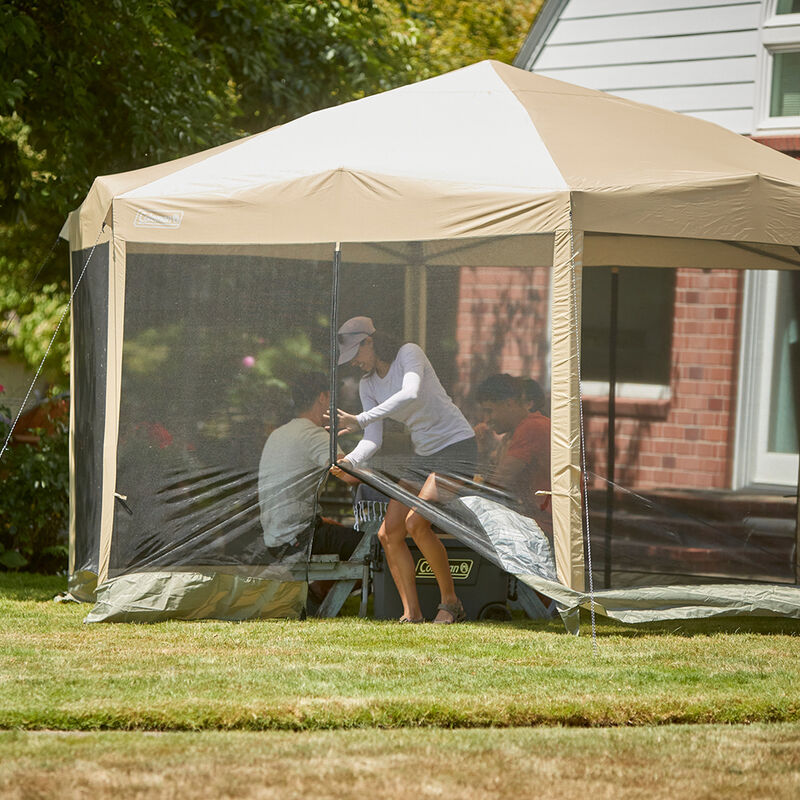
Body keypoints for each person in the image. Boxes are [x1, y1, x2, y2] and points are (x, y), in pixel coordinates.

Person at [334, 316, 477, 624]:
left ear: (369, 342)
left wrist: (359, 419)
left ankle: (451, 604)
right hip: (424, 456)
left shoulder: (409, 353)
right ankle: (411, 614)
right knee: (389, 532)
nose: (353, 364)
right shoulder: (367, 384)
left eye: (355, 355)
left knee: (416, 523)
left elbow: (409, 393)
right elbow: (373, 439)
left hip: (458, 448)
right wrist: (350, 462)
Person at [257, 371, 361, 569]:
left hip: (275, 539)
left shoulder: (279, 433)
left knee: (339, 530)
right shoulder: (312, 434)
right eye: (331, 398)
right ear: (322, 397)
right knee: (375, 547)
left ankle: (319, 596)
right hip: (299, 540)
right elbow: (349, 474)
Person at [475, 373, 551, 534]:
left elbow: (497, 485)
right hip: (530, 523)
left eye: (489, 411)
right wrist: (482, 449)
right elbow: (490, 480)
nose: (486, 419)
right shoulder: (514, 433)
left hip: (543, 529)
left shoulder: (532, 427)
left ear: (509, 403)